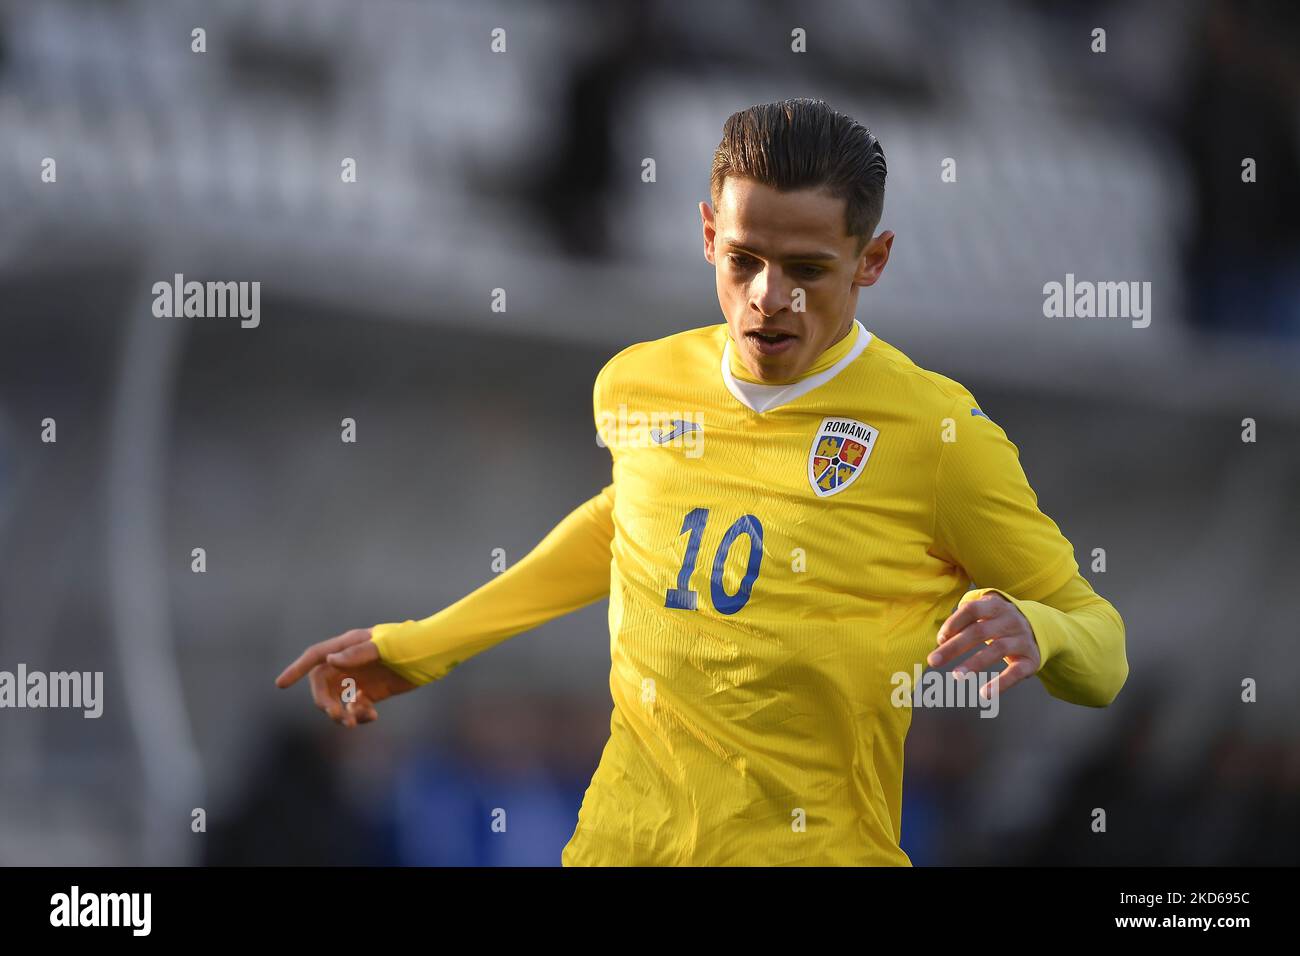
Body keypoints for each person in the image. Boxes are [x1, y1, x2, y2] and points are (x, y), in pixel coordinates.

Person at [276, 98, 1128, 865]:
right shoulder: (639, 384)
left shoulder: (938, 438)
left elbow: (1103, 654)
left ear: (872, 260)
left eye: (807, 270)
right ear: (707, 235)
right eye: (745, 259)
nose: (769, 297)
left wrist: (1043, 631)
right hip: (620, 847)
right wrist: (422, 646)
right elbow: (624, 524)